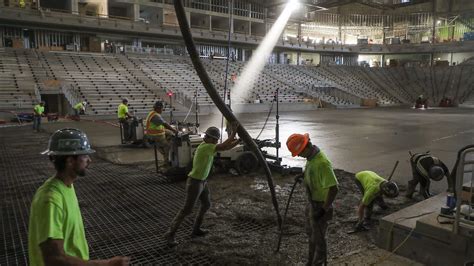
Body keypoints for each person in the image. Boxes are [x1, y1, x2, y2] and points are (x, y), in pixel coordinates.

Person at [28, 128, 129, 266]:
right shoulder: (50, 199)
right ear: (70, 161)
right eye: (85, 156)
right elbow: (54, 259)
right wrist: (107, 264)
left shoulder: (66, 186)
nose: (90, 160)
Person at [164, 124, 240, 247]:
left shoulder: (209, 146)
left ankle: (196, 230)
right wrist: (234, 133)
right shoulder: (205, 147)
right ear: (207, 137)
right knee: (186, 210)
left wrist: (239, 141)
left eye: (216, 140)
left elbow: (226, 148)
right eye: (214, 139)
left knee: (206, 204)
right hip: (194, 182)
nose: (215, 142)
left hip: (202, 182)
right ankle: (170, 234)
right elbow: (223, 145)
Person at [287, 133, 339, 265]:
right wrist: (303, 176)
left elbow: (334, 188)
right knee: (311, 236)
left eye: (298, 152)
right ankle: (310, 262)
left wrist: (323, 210)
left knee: (319, 241)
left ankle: (317, 263)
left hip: (321, 205)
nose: (298, 155)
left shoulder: (322, 163)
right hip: (312, 203)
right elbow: (313, 174)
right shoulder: (311, 157)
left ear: (306, 146)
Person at [144, 101, 178, 165]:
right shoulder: (155, 116)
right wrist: (174, 130)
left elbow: (162, 124)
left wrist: (172, 131)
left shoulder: (153, 113)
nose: (162, 110)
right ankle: (166, 162)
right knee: (167, 146)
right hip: (155, 135)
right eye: (162, 108)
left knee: (170, 133)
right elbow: (164, 124)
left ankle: (163, 145)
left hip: (156, 132)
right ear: (158, 108)